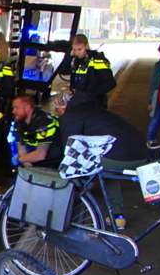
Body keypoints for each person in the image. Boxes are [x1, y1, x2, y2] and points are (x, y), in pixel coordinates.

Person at [56, 92, 148, 230]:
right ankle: (117, 217)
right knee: (107, 174)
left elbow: (69, 151)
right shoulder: (99, 113)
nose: (56, 112)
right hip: (141, 154)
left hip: (119, 157)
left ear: (64, 106)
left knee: (74, 171)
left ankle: (66, 214)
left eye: (58, 108)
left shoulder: (71, 117)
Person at [56, 34, 115, 105]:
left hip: (94, 104)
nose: (77, 53)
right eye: (74, 50)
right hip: (79, 102)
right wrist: (70, 56)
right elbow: (64, 71)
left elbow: (110, 83)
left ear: (87, 46)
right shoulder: (78, 61)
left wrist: (91, 95)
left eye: (80, 49)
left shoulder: (98, 60)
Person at [11, 94, 63, 167]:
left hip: (55, 163)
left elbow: (41, 154)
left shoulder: (44, 121)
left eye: (16, 107)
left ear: (27, 107)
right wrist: (26, 163)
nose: (13, 111)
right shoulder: (19, 123)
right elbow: (21, 149)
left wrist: (19, 159)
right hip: (36, 161)